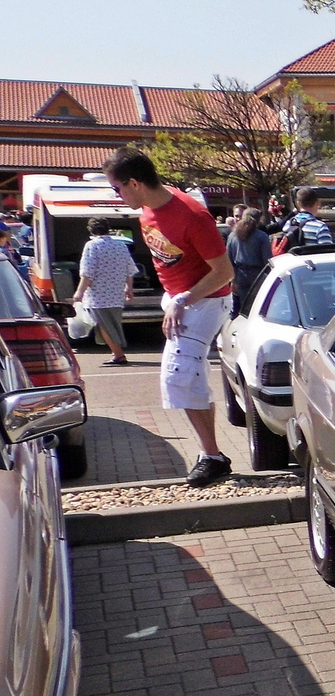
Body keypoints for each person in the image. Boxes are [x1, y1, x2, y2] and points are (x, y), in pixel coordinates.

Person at [103, 147, 235, 485]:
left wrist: (185, 299)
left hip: (205, 302)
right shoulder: (147, 210)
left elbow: (224, 272)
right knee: (189, 376)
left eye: (117, 188)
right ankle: (213, 455)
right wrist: (171, 298)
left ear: (134, 183)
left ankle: (212, 456)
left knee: (180, 375)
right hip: (179, 300)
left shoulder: (192, 215)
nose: (116, 196)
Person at [71, 217, 138, 365]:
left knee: (104, 326)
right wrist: (129, 288)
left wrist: (79, 293)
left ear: (91, 230)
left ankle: (119, 355)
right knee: (114, 324)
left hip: (98, 296)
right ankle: (118, 353)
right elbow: (130, 270)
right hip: (116, 293)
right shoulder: (121, 246)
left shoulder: (92, 246)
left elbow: (87, 273)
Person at [225, 207, 271, 311]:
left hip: (240, 275)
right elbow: (267, 260)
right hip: (258, 275)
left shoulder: (233, 235)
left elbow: (229, 258)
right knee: (258, 307)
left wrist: (233, 280)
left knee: (244, 308)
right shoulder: (262, 236)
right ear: (259, 220)